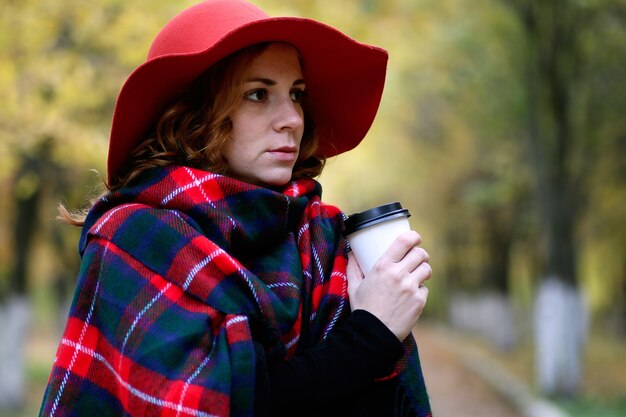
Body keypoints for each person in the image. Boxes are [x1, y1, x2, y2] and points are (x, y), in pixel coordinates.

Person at [38, 1, 432, 416]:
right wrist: (370, 335)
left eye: (296, 94)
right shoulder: (135, 241)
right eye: (258, 94)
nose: (292, 119)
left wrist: (386, 311)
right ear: (195, 113)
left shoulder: (322, 238)